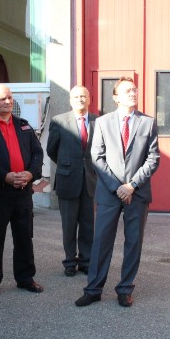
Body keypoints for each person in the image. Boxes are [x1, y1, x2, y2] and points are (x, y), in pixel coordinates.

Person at [75, 76, 160, 308]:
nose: (133, 93)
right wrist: (117, 187)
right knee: (101, 241)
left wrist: (132, 185)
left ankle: (125, 289)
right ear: (115, 97)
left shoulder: (148, 122)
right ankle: (93, 289)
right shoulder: (102, 122)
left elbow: (153, 158)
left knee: (133, 242)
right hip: (109, 192)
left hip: (137, 192)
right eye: (127, 91)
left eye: (134, 90)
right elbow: (97, 157)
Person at [0, 84, 44, 298]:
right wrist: (4, 176)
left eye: (9, 97)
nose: (8, 101)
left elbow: (37, 153)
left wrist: (30, 173)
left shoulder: (23, 125)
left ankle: (25, 278)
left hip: (23, 192)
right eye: (2, 98)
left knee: (24, 237)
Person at [46, 85, 98, 277]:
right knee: (68, 224)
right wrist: (66, 164)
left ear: (89, 99)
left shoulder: (98, 121)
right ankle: (69, 261)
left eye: (83, 96)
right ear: (70, 100)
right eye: (76, 97)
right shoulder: (59, 121)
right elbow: (51, 149)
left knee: (88, 224)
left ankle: (86, 261)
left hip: (90, 180)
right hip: (67, 179)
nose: (80, 99)